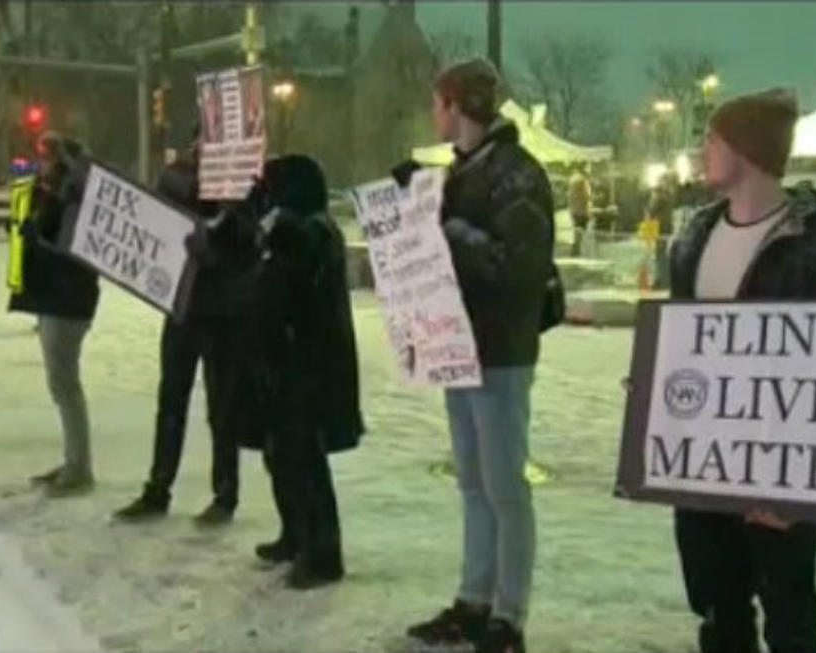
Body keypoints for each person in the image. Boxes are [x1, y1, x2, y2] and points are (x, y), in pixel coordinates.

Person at [667, 88, 816, 653]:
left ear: (747, 149)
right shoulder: (693, 240)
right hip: (704, 466)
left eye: (713, 138)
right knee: (717, 606)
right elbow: (682, 345)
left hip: (783, 468)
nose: (702, 149)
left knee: (790, 613)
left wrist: (801, 490)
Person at [399, 57, 554, 653]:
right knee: (472, 482)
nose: (432, 113)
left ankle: (509, 616)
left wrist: (447, 229)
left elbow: (517, 266)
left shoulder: (517, 173)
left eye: (437, 102)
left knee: (504, 485)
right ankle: (474, 598)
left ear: (458, 105)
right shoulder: (463, 172)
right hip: (456, 345)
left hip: (501, 349)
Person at [113, 125, 255, 526]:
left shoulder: (243, 183)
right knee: (171, 401)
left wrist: (227, 210)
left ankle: (225, 495)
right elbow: (161, 219)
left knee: (221, 407)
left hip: (221, 312)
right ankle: (158, 487)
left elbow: (247, 242)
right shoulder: (178, 174)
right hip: (183, 306)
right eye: (202, 141)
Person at [239, 154, 364, 589]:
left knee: (304, 460)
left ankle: (323, 552)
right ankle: (294, 534)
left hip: (308, 365)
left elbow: (299, 269)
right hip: (282, 362)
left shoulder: (316, 229)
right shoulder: (292, 227)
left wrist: (278, 227)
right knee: (282, 456)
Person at [9, 132, 100, 497]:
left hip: (68, 301)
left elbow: (71, 252)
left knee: (65, 383)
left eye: (48, 157)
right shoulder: (56, 194)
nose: (41, 163)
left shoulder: (76, 199)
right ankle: (73, 460)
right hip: (55, 299)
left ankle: (79, 466)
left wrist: (39, 240)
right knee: (60, 383)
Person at [568, 163, 593, 256]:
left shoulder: (573, 179)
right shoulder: (582, 181)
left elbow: (571, 197)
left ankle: (576, 250)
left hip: (575, 210)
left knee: (577, 232)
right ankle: (577, 251)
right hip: (582, 211)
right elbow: (586, 196)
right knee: (581, 232)